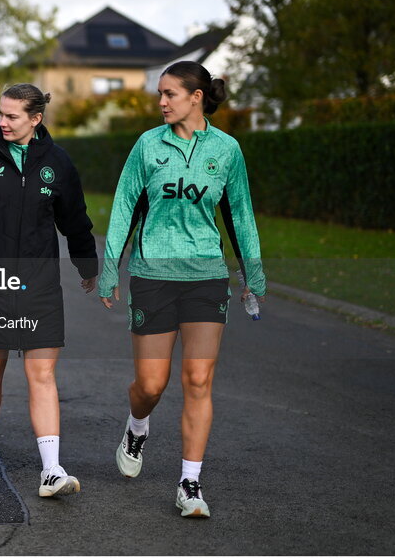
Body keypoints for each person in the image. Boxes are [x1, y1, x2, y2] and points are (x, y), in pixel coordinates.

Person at [98, 61, 267, 519]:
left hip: (206, 276)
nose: (161, 102)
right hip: (153, 276)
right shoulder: (148, 145)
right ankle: (137, 426)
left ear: (196, 96)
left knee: (198, 379)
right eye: (160, 94)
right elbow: (124, 206)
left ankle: (189, 483)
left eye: (169, 94)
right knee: (151, 385)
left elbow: (240, 214)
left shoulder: (227, 150)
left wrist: (253, 270)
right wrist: (110, 266)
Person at [0, 83, 98, 498]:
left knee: (42, 374)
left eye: (12, 116)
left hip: (39, 283)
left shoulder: (58, 163)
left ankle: (51, 470)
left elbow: (75, 219)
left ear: (36, 119)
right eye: (1, 114)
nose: (3, 122)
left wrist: (88, 265)